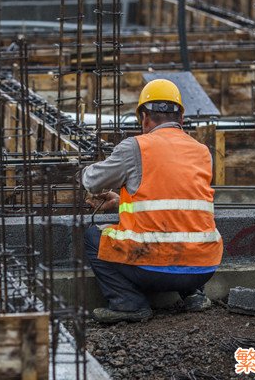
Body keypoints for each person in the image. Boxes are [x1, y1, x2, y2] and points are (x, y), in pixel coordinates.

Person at [80, 79, 223, 323]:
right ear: (181, 117)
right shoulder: (202, 151)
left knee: (92, 236)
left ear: (144, 118)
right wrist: (121, 200)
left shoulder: (136, 147)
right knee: (189, 227)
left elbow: (92, 181)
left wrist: (87, 170)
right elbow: (177, 197)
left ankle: (128, 304)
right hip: (204, 267)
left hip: (152, 268)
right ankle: (193, 296)